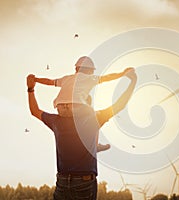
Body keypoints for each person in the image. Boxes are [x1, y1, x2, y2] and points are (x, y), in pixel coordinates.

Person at [26, 69, 137, 200]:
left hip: (62, 181)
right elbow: (119, 105)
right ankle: (96, 147)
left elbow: (35, 111)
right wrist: (132, 82)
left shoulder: (56, 121)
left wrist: (31, 89)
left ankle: (96, 147)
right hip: (84, 182)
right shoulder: (92, 119)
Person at [34, 56, 133, 151]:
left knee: (87, 99)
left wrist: (35, 80)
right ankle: (95, 145)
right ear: (89, 70)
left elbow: (49, 82)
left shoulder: (66, 78)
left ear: (76, 69)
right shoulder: (90, 78)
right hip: (77, 107)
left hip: (61, 109)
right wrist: (122, 74)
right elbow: (108, 77)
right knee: (95, 118)